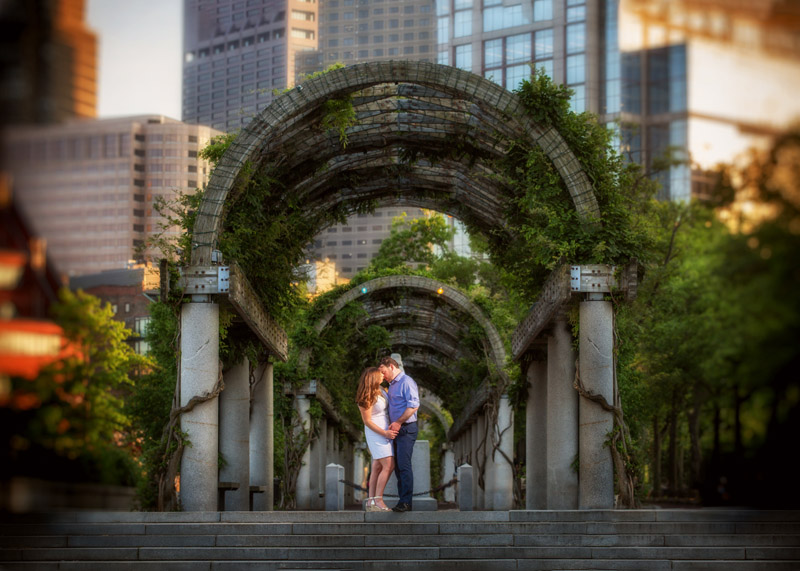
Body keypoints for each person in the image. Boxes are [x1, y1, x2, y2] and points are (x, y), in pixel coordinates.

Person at [378, 356, 419, 512]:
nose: (383, 376)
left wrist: (399, 422)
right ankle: (403, 501)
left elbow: (414, 406)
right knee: (397, 467)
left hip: (406, 429)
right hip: (395, 431)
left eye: (383, 372)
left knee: (403, 465)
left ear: (391, 367)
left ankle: (406, 502)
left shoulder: (406, 382)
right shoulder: (392, 385)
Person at [355, 367, 398, 512]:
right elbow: (367, 421)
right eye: (380, 374)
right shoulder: (365, 396)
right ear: (373, 377)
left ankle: (371, 501)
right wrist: (384, 433)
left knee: (377, 467)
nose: (382, 376)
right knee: (389, 464)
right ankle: (379, 500)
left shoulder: (381, 390)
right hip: (376, 433)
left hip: (386, 432)